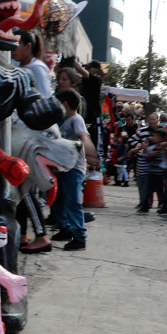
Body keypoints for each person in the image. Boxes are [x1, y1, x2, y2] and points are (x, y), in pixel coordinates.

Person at [49, 89, 95, 251]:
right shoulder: (63, 122)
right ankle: (65, 230)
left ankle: (79, 238)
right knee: (57, 202)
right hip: (61, 168)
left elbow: (83, 137)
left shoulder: (76, 119)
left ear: (65, 104)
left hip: (74, 169)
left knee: (72, 203)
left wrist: (91, 156)